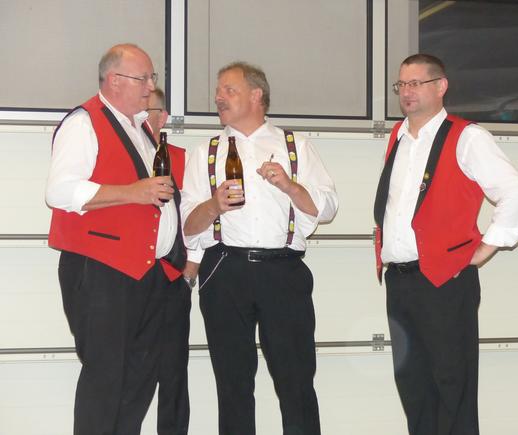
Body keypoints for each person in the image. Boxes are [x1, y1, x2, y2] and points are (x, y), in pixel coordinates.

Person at [373, 53, 518, 435]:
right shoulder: (398, 137)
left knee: (452, 386)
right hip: (400, 281)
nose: (406, 92)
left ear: (441, 86)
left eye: (416, 83)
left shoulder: (467, 137)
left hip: (445, 282)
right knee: (413, 388)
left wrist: (485, 249)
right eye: (401, 84)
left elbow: (516, 194)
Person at [45, 43, 196, 435]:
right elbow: (59, 191)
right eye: (143, 78)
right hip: (101, 272)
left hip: (147, 274)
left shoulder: (141, 128)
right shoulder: (84, 122)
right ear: (114, 81)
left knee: (138, 380)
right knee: (107, 379)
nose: (151, 87)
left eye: (152, 78)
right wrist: (133, 192)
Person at [181, 61, 338, 435]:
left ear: (256, 95)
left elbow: (329, 207)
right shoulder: (204, 152)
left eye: (229, 89)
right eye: (218, 90)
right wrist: (214, 205)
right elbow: (188, 226)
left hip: (282, 271)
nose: (219, 97)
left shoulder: (295, 146)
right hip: (225, 269)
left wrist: (290, 186)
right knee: (232, 383)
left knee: (296, 380)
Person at [147, 87, 201, 435]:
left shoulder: (183, 159)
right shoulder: (122, 155)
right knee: (124, 371)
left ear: (163, 117)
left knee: (173, 375)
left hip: (170, 278)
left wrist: (189, 271)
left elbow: (198, 217)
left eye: (147, 109)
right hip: (125, 279)